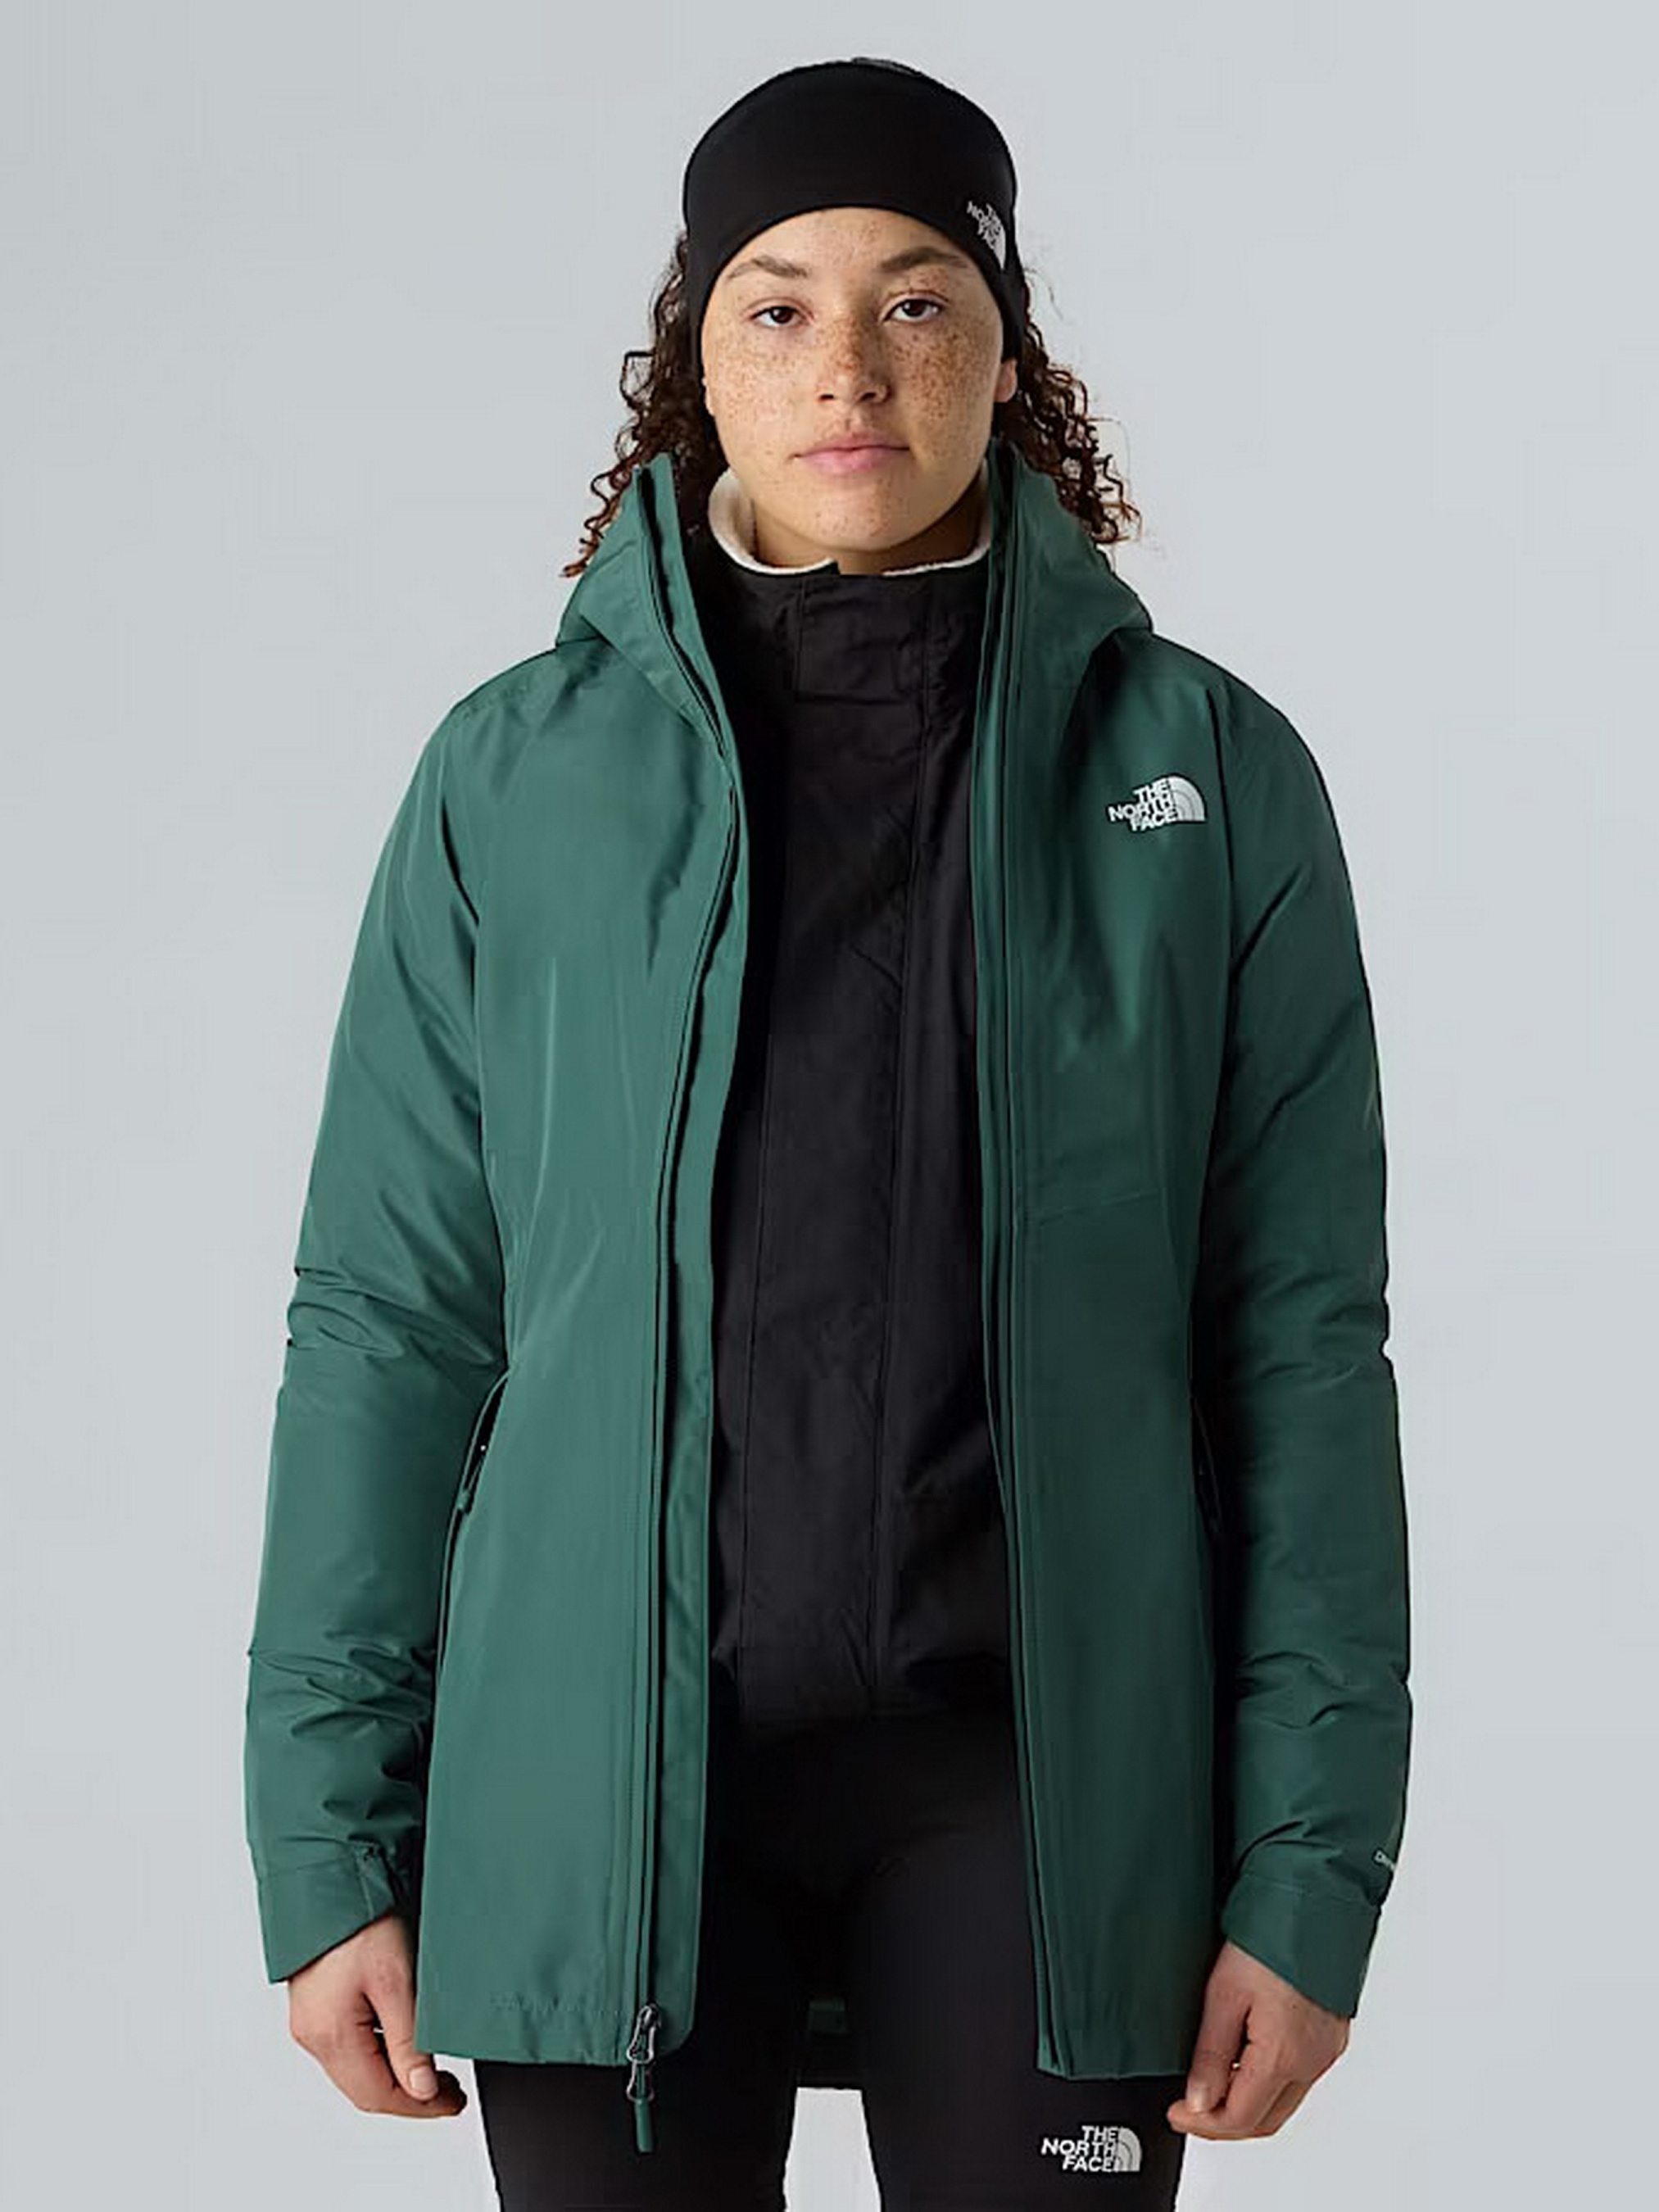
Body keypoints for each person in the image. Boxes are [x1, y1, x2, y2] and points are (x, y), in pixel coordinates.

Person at [243, 55, 1412, 2212]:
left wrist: (1306, 1866)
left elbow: (1300, 1346)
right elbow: (388, 1324)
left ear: (1006, 351)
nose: (846, 366)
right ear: (693, 363)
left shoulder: (1207, 776)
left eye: (916, 300)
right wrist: (329, 1845)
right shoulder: (513, 778)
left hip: (1041, 1788)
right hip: (602, 1782)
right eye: (775, 306)